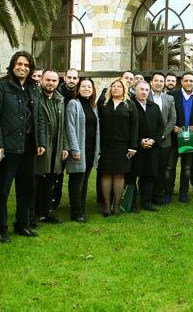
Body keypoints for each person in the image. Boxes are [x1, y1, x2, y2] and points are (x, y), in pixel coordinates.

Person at [0, 52, 46, 243]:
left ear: (31, 69)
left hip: (29, 146)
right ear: (13, 65)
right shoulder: (0, 86)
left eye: (27, 65)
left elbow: (38, 116)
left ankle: (22, 224)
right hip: (8, 147)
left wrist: (41, 142)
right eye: (19, 64)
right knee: (3, 189)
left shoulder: (33, 87)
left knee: (26, 189)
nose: (23, 68)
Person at [33, 69, 68, 225]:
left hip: (57, 146)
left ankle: (45, 213)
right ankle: (32, 214)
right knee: (36, 181)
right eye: (48, 80)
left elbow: (64, 126)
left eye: (54, 80)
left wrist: (65, 147)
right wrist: (39, 143)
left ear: (58, 82)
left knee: (50, 181)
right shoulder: (35, 98)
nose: (51, 83)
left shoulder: (60, 99)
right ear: (41, 80)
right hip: (41, 147)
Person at [98, 78, 138, 216]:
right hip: (105, 145)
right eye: (113, 86)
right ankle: (106, 205)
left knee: (119, 174)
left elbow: (134, 127)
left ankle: (117, 204)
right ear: (110, 89)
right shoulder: (103, 103)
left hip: (123, 145)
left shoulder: (130, 105)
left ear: (124, 89)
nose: (115, 88)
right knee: (106, 174)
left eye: (118, 87)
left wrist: (133, 146)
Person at [65, 78, 99, 223]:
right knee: (77, 181)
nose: (86, 89)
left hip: (90, 150)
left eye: (89, 87)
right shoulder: (74, 104)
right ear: (78, 89)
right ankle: (76, 212)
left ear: (93, 90)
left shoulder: (93, 106)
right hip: (79, 150)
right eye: (83, 86)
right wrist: (74, 148)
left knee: (84, 181)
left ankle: (82, 209)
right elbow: (70, 127)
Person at [166, 71, 193, 203]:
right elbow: (166, 114)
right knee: (170, 167)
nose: (188, 83)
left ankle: (183, 193)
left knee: (187, 168)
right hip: (174, 137)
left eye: (191, 81)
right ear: (181, 82)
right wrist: (173, 127)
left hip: (189, 138)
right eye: (186, 80)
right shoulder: (171, 95)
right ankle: (168, 193)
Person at [131, 81, 165, 211]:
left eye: (146, 90)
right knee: (132, 175)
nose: (144, 92)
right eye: (141, 89)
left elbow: (160, 127)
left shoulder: (154, 107)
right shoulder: (130, 105)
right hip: (135, 147)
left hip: (152, 147)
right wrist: (140, 141)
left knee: (149, 176)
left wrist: (153, 141)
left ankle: (146, 203)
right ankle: (132, 203)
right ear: (135, 90)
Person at [52, 68, 80, 210]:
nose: (72, 80)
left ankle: (74, 202)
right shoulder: (58, 93)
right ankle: (54, 201)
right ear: (64, 78)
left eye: (75, 78)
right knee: (57, 172)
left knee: (76, 173)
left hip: (75, 139)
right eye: (69, 77)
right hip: (60, 138)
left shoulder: (80, 93)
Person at [148, 72, 177, 206]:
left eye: (161, 81)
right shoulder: (145, 96)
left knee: (161, 169)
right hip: (147, 140)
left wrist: (162, 135)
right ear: (151, 82)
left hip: (165, 141)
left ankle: (159, 196)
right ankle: (146, 196)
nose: (159, 83)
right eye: (156, 80)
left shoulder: (169, 99)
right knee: (148, 169)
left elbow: (172, 119)